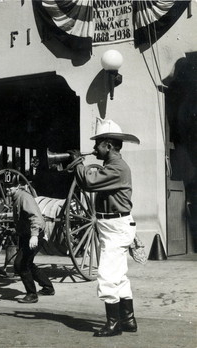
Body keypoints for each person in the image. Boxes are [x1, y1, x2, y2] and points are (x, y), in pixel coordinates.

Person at [69, 119, 140, 337]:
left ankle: (113, 324)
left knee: (108, 275)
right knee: (119, 276)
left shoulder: (117, 168)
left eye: (98, 143)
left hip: (116, 227)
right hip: (114, 225)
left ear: (108, 145)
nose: (94, 148)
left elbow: (88, 182)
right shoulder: (114, 166)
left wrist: (78, 163)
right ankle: (128, 320)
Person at [3, 170, 55, 304]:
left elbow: (35, 217)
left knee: (20, 264)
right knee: (28, 263)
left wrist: (34, 236)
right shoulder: (16, 198)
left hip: (35, 235)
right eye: (6, 186)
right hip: (27, 236)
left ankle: (32, 294)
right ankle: (48, 287)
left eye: (11, 186)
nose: (8, 189)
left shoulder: (24, 197)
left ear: (17, 186)